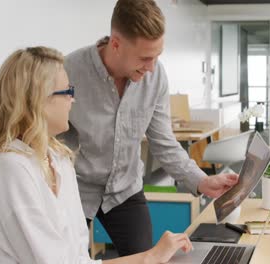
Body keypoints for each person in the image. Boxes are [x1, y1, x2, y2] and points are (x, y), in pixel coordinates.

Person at [0, 47, 192, 263]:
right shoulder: (11, 168)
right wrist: (148, 257)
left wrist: (150, 257)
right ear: (38, 100)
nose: (73, 100)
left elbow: (78, 259)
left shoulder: (59, 159)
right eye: (68, 91)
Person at [62, 0, 239, 256]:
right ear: (115, 43)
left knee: (148, 259)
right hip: (76, 189)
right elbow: (48, 138)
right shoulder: (69, 71)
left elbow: (164, 142)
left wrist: (201, 180)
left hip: (125, 189)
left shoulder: (155, 76)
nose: (152, 67)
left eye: (157, 56)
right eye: (145, 58)